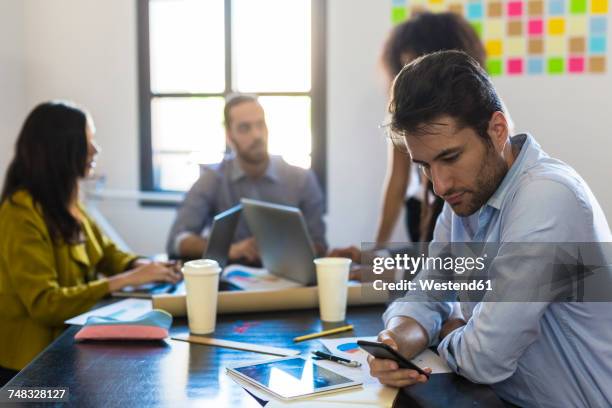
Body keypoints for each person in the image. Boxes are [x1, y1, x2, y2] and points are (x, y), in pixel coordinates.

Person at [368, 50, 612, 407]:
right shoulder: (465, 196)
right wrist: (396, 340)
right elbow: (429, 292)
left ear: (497, 130)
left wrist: (443, 334)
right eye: (425, 166)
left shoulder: (548, 196)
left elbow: (485, 360)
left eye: (450, 157)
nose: (440, 185)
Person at [0, 102, 181, 384]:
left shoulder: (68, 203)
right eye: (87, 141)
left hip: (66, 353)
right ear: (60, 150)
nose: (95, 150)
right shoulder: (19, 214)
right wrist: (124, 279)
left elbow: (106, 252)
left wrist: (140, 265)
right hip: (26, 374)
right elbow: (46, 304)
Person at [166, 94, 327, 262]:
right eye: (245, 128)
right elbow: (177, 241)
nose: (257, 135)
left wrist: (290, 252)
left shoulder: (301, 179)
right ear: (229, 136)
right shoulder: (213, 179)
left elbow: (319, 245)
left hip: (291, 280)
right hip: (231, 281)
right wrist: (229, 249)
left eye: (260, 125)